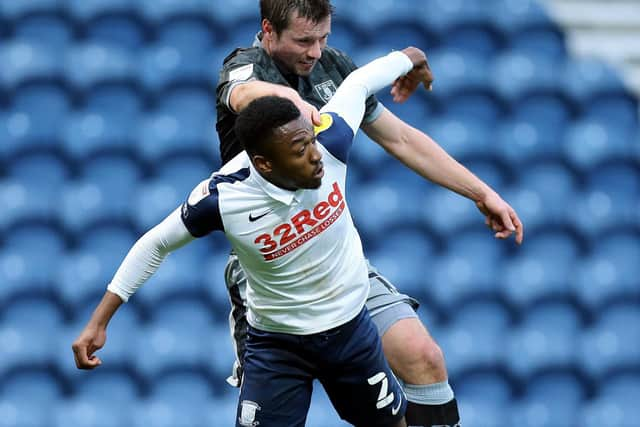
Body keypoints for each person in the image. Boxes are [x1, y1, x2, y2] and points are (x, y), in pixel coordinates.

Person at [72, 47, 442, 427]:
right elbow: (155, 244)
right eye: (301, 150)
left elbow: (360, 81)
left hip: (350, 330)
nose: (315, 156)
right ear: (264, 163)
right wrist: (99, 322)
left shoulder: (330, 140)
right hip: (278, 347)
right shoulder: (223, 197)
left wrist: (412, 57)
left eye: (311, 141)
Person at [215, 1, 524, 426]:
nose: (316, 51)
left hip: (336, 260)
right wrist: (288, 98)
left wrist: (480, 192)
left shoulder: (333, 67)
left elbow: (400, 138)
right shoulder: (244, 66)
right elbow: (241, 93)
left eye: (324, 38)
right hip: (272, 277)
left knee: (424, 357)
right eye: (304, 40)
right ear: (268, 30)